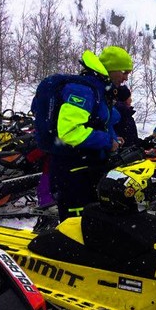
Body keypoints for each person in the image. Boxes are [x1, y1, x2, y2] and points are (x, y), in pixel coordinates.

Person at [44, 47, 131, 220]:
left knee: (94, 223)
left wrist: (113, 138)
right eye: (124, 72)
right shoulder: (82, 89)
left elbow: (99, 122)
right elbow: (69, 131)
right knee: (76, 228)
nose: (126, 78)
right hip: (73, 172)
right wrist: (107, 142)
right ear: (112, 69)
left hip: (87, 169)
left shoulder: (99, 89)